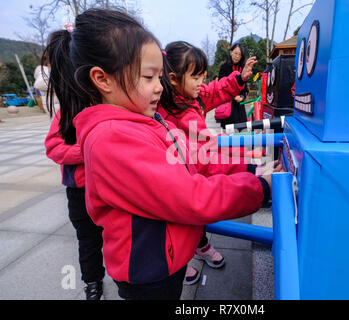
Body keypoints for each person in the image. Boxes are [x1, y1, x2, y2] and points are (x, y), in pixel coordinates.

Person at [44, 8, 274, 300]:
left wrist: (251, 171)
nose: (159, 87)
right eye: (149, 77)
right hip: (151, 271)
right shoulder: (113, 138)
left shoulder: (142, 122)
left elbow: (192, 159)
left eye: (160, 77)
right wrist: (261, 187)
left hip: (167, 257)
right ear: (102, 79)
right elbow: (191, 196)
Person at [158, 41, 258, 284]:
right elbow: (206, 158)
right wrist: (250, 170)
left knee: (194, 219)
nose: (202, 81)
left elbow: (214, 90)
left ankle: (199, 247)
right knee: (182, 219)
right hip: (179, 177)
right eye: (197, 76)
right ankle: (178, 262)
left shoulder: (190, 95)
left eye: (203, 74)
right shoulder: (171, 114)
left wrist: (238, 79)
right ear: (173, 78)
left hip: (191, 170)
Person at [45, 109, 105, 300]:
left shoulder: (112, 102)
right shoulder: (67, 110)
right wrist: (88, 151)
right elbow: (53, 147)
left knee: (125, 236)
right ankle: (93, 282)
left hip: (111, 186)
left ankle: (128, 280)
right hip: (80, 190)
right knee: (88, 241)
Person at [216, 43, 249, 128]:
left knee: (241, 134)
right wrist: (234, 96)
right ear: (231, 52)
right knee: (228, 134)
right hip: (228, 106)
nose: (237, 56)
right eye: (235, 53)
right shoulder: (224, 67)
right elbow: (221, 86)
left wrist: (242, 97)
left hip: (240, 106)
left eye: (239, 54)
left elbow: (245, 88)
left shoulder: (243, 68)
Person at [34, 52, 60, 119]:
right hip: (55, 105)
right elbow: (40, 84)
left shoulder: (46, 70)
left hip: (54, 104)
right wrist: (59, 86)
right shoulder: (44, 70)